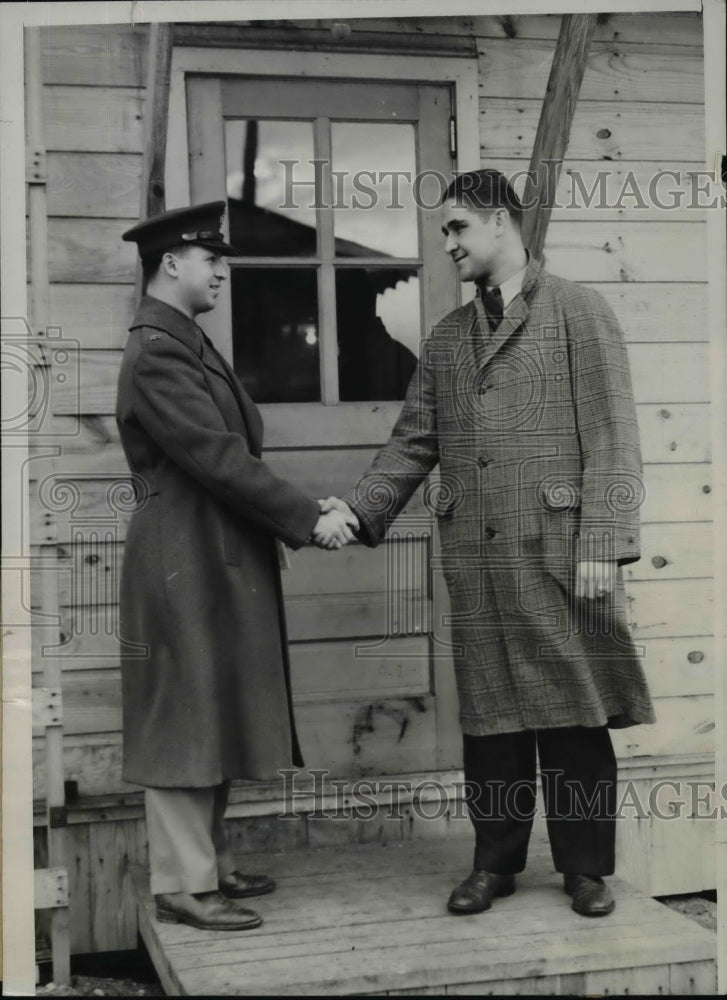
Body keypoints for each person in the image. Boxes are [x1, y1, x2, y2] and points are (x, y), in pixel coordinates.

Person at [321, 169, 655, 918]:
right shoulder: (447, 339)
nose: (447, 244)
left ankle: (585, 869)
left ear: (500, 221)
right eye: (444, 231)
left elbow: (614, 436)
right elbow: (413, 442)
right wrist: (360, 511)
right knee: (491, 716)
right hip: (477, 555)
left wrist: (603, 542)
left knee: (573, 711)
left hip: (561, 550)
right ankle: (494, 864)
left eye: (457, 227)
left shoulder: (577, 311)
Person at [116, 201, 357, 931]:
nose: (222, 270)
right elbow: (217, 457)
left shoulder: (184, 341)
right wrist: (308, 517)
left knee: (211, 702)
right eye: (210, 259)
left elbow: (228, 455)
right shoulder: (158, 351)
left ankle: (211, 866)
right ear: (170, 264)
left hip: (210, 547)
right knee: (184, 714)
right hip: (182, 553)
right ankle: (181, 884)